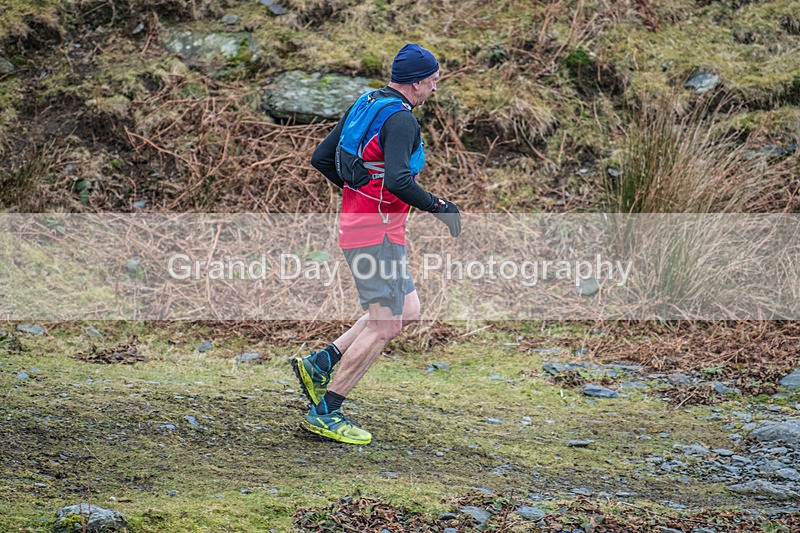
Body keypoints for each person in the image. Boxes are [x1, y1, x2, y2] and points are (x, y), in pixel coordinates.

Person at [290, 43, 462, 445]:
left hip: (366, 228)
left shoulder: (367, 102)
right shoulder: (401, 121)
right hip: (376, 236)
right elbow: (399, 180)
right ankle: (326, 412)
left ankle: (320, 364)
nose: (435, 88)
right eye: (433, 81)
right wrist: (440, 207)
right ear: (416, 83)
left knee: (408, 309)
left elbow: (322, 158)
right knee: (386, 323)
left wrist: (362, 192)